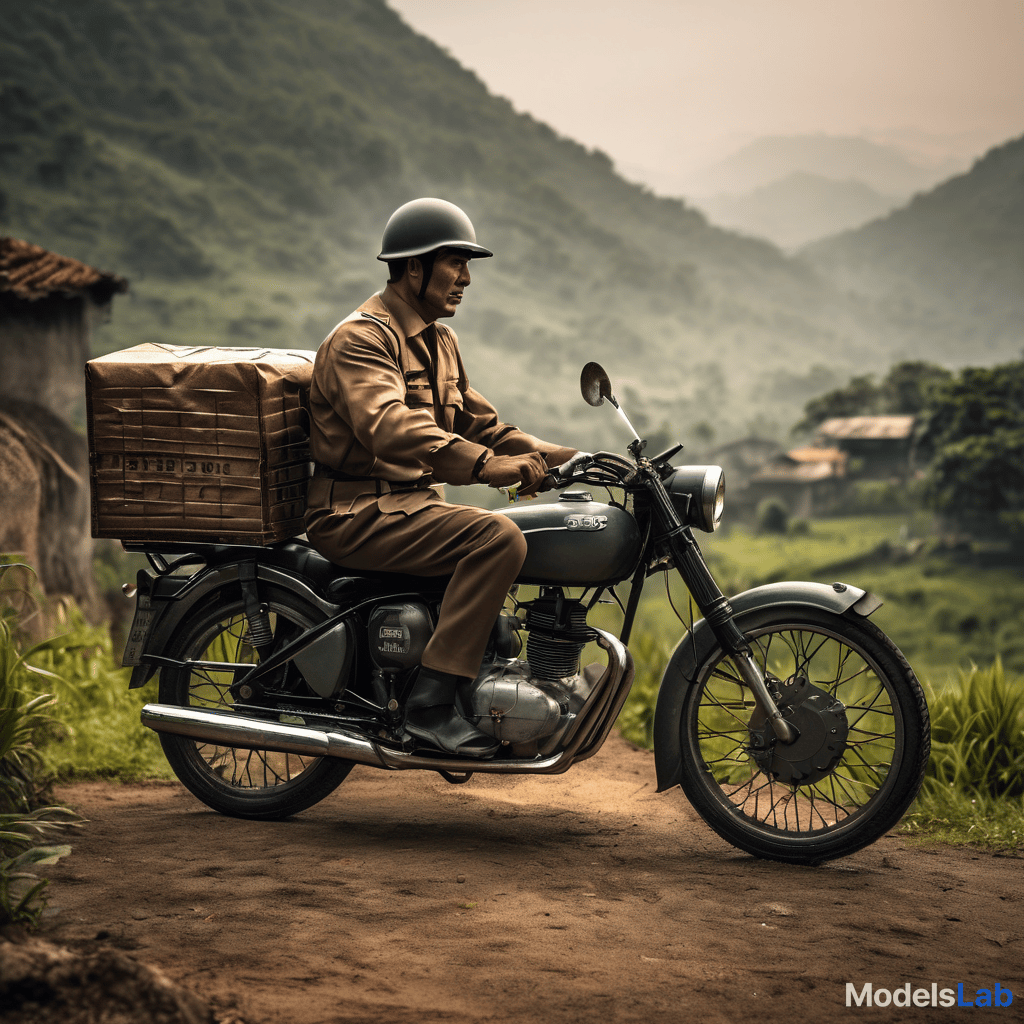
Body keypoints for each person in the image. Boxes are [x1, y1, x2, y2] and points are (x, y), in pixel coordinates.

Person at [304, 198, 576, 758]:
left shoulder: (439, 342)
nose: (467, 279)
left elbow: (489, 427)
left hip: (410, 507)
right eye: (456, 263)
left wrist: (571, 458)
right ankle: (428, 709)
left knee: (523, 533)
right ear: (413, 267)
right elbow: (391, 428)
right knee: (498, 536)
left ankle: (487, 681)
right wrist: (485, 468)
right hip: (355, 513)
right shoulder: (362, 339)